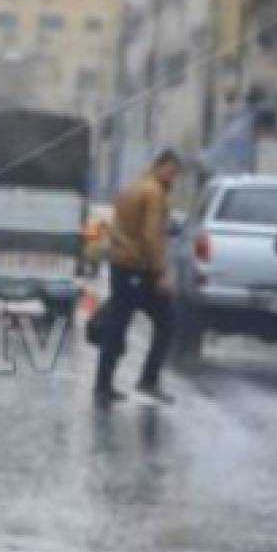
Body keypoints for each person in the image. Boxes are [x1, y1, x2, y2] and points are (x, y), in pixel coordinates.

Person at [95, 149, 183, 406]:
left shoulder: (133, 186)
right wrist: (160, 273)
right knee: (167, 321)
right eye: (171, 171)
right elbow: (151, 236)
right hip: (138, 267)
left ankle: (103, 384)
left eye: (175, 174)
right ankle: (148, 379)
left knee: (117, 324)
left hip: (121, 264)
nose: (173, 178)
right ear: (160, 166)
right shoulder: (154, 193)